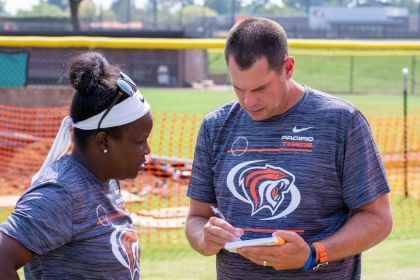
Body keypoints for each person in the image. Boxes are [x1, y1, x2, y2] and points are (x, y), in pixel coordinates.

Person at [185, 17, 392, 279]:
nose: (249, 101)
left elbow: (378, 218)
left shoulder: (340, 121)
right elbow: (196, 219)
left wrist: (313, 254)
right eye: (238, 88)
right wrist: (204, 238)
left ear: (288, 67)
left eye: (260, 88)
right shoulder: (215, 125)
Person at [0, 51, 152, 280]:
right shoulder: (61, 193)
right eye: (140, 141)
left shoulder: (107, 180)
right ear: (103, 140)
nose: (147, 150)